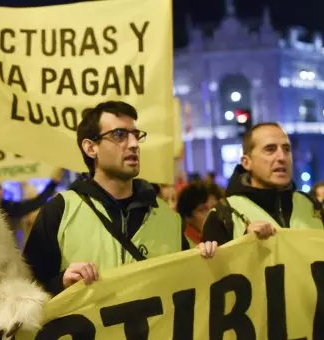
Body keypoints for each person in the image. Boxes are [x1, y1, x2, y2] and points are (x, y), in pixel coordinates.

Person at [23, 100, 217, 296]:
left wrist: (206, 258)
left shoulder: (168, 217)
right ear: (91, 148)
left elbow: (189, 287)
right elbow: (25, 290)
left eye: (135, 135)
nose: (133, 144)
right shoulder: (60, 211)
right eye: (119, 135)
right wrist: (60, 283)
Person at [202, 123, 324, 245]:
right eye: (270, 149)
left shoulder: (313, 207)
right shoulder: (224, 215)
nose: (282, 157)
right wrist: (244, 244)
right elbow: (215, 266)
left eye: (286, 149)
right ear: (246, 162)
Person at [177, 182, 223, 247]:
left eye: (214, 207)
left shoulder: (222, 236)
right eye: (203, 210)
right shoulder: (181, 243)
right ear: (187, 217)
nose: (211, 213)